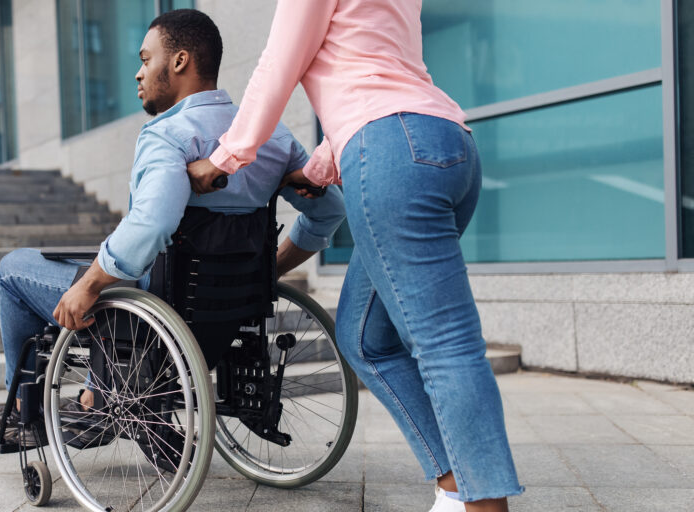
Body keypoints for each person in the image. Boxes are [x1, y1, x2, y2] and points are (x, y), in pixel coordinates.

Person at [185, 2, 522, 511]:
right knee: (365, 338)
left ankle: (484, 506)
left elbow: (281, 62)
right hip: (448, 143)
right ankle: (457, 488)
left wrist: (225, 156)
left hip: (393, 154)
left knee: (444, 345)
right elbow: (378, 70)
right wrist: (319, 168)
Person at [0, 9, 346, 450]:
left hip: (159, 306)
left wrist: (91, 283)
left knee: (15, 268)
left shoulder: (168, 134)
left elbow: (152, 226)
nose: (138, 73)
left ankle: (25, 411)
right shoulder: (272, 137)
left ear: (179, 61)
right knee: (110, 267)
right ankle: (97, 392)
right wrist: (267, 272)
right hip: (218, 312)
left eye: (145, 58)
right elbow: (329, 211)